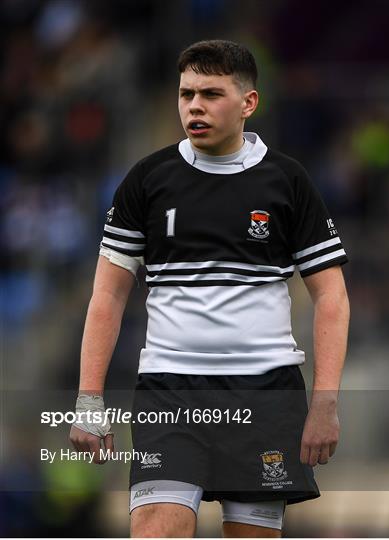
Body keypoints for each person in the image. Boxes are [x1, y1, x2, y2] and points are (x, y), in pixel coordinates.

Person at [70, 39, 350, 538]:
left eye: (211, 93)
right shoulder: (148, 180)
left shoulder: (287, 181)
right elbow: (107, 297)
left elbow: (332, 297)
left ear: (248, 103)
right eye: (186, 94)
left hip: (265, 394)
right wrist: (89, 402)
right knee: (157, 527)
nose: (194, 106)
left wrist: (325, 402)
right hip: (170, 391)